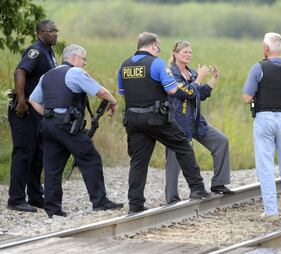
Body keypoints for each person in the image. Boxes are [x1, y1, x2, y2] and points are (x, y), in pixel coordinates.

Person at [117, 32, 210, 214]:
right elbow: (174, 90)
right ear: (153, 45)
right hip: (156, 118)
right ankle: (198, 189)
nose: (158, 51)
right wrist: (194, 87)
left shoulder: (124, 65)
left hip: (132, 119)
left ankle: (135, 205)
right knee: (183, 145)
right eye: (157, 47)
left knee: (138, 161)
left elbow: (122, 92)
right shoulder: (157, 63)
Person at [29, 44, 123, 218]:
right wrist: (114, 102)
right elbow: (100, 91)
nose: (85, 63)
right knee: (90, 157)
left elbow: (33, 100)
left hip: (48, 125)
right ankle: (100, 202)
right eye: (83, 59)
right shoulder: (75, 73)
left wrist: (50, 116)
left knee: (52, 167)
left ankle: (52, 209)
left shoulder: (47, 76)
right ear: (73, 58)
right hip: (66, 126)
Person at [242, 33, 281, 220]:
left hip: (264, 119)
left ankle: (271, 212)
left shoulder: (258, 67)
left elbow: (246, 98)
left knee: (266, 167)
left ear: (266, 48)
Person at [164, 41, 234, 205]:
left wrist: (213, 80)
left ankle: (218, 184)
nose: (188, 55)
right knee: (174, 160)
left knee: (221, 141)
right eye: (185, 52)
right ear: (175, 54)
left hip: (195, 121)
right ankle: (171, 199)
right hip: (177, 123)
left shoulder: (192, 73)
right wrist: (199, 79)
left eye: (190, 52)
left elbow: (199, 94)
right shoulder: (170, 73)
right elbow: (184, 93)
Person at [7, 20, 59, 212]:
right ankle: (16, 199)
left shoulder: (49, 52)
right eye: (51, 31)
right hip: (25, 110)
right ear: (40, 33)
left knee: (38, 155)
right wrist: (21, 100)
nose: (55, 33)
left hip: (38, 111)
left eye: (56, 30)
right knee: (23, 154)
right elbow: (20, 71)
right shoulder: (35, 51)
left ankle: (36, 196)